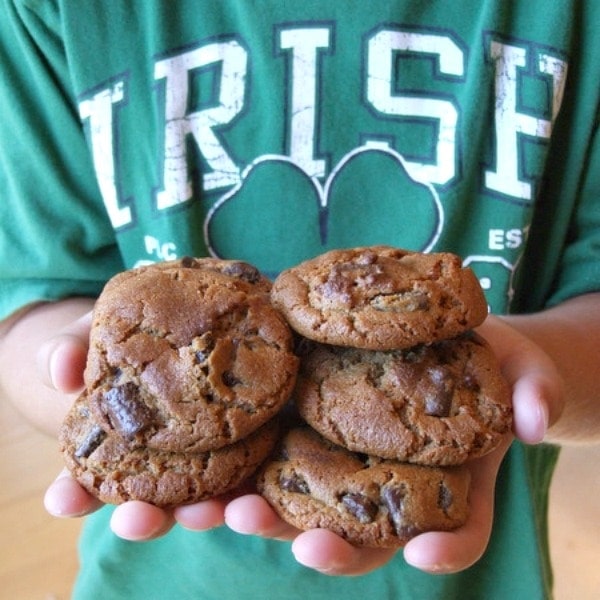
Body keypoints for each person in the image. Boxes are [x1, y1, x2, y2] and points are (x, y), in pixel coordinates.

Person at [0, 1, 599, 598]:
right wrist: (79, 383)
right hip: (157, 578)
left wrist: (542, 369)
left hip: (485, 577)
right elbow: (29, 300)